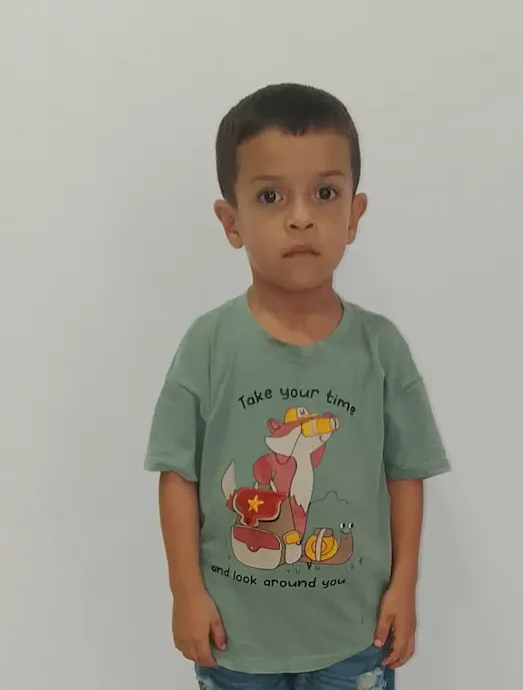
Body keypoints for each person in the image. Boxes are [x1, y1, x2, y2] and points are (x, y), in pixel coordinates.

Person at [145, 83, 450, 690]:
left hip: (355, 636)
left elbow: (406, 472)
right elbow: (177, 474)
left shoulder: (381, 348)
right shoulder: (208, 345)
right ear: (230, 221)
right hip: (235, 639)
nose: (301, 216)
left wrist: (404, 586)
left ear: (354, 215)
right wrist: (185, 592)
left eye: (325, 193)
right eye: (270, 196)